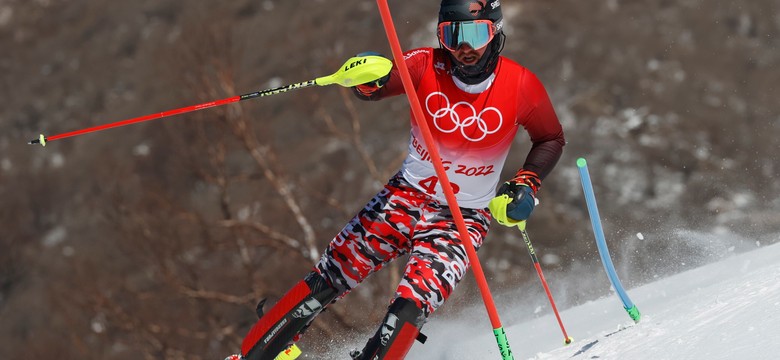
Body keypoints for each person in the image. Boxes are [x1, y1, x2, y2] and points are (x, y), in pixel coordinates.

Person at [231, 0, 565, 359]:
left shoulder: (520, 84)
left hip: (463, 216)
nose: (465, 49)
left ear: (496, 32)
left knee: (413, 302)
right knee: (336, 269)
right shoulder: (425, 63)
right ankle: (261, 351)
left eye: (476, 34)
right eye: (452, 36)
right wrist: (366, 80)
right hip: (404, 196)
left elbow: (550, 138)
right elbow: (380, 83)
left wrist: (526, 183)